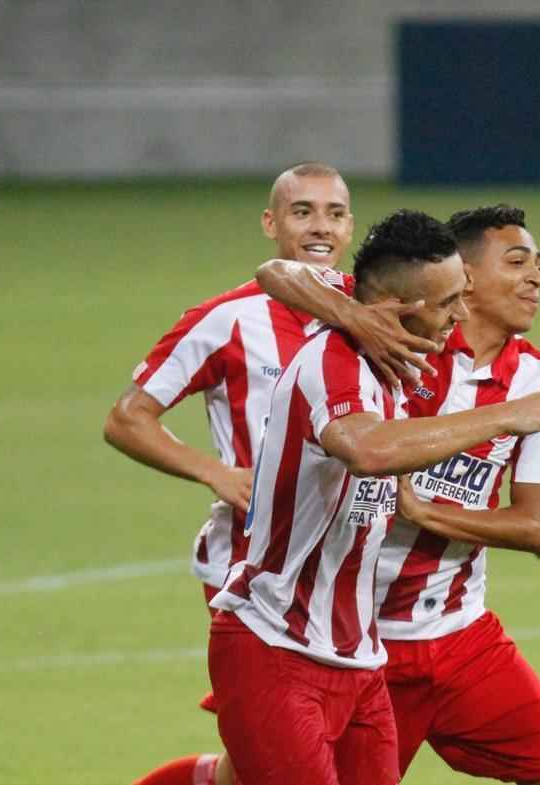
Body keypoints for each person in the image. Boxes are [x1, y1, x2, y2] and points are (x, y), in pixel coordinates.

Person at [206, 208, 540, 785]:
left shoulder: (413, 355)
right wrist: (507, 417)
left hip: (362, 656)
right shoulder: (336, 360)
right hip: (278, 642)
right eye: (451, 299)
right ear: (400, 308)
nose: (460, 310)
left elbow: (535, 524)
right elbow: (368, 449)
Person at [103, 162, 437, 785]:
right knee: (277, 756)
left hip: (345, 566)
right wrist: (216, 472)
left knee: (266, 762)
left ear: (351, 226)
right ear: (270, 222)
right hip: (250, 567)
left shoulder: (375, 315)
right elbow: (128, 418)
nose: (320, 226)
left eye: (335, 213)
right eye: (301, 211)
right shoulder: (227, 320)